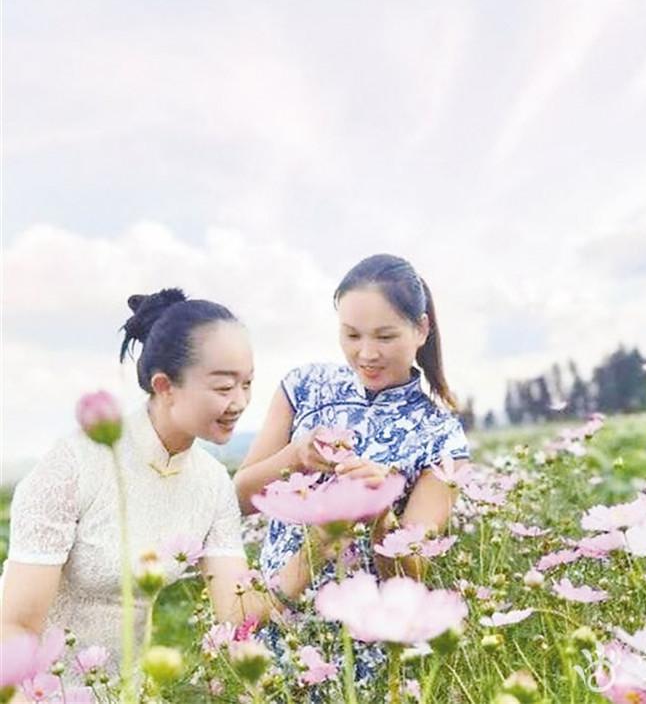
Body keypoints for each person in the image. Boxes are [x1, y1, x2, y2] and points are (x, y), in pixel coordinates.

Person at [1, 288, 272, 685]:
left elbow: (234, 612)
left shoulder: (212, 483)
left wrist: (320, 538)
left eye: (247, 384)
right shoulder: (75, 464)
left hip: (126, 690)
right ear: (165, 385)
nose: (240, 401)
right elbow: (14, 630)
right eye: (223, 387)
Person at [234, 254, 471, 682]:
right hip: (278, 630)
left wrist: (382, 511)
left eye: (385, 336)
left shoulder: (442, 436)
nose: (366, 353)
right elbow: (240, 498)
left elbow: (411, 579)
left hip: (369, 659)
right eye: (351, 335)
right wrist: (294, 458)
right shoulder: (304, 387)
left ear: (421, 329)